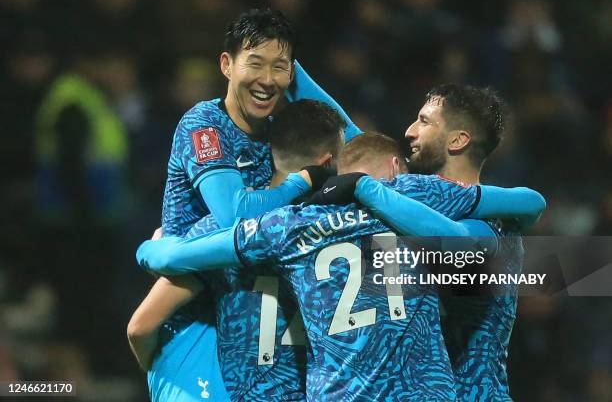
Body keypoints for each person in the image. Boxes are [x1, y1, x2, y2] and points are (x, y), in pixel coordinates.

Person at [136, 132, 544, 400]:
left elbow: (169, 262)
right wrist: (371, 191)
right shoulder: (414, 195)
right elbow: (526, 205)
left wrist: (152, 247)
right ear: (395, 167)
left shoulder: (283, 224)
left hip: (332, 391)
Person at [312, 84, 539, 400]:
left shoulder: (489, 224)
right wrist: (289, 67)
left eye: (424, 121)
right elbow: (351, 136)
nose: (409, 131)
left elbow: (458, 242)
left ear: (458, 140)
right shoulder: (411, 200)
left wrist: (367, 188)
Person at [128, 100, 345, 401]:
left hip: (241, 391)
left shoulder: (225, 232)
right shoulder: (339, 229)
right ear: (327, 163)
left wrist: (154, 250)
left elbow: (141, 326)